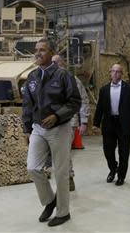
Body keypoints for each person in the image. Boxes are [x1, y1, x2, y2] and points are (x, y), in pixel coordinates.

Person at [22, 39, 81, 227]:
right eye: (36, 50)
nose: (38, 53)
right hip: (38, 129)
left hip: (59, 128)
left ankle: (63, 213)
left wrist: (57, 116)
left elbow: (74, 102)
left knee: (60, 172)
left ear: (51, 53)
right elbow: (27, 106)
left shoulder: (63, 75)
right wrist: (26, 129)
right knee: (33, 167)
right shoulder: (31, 77)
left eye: (43, 50)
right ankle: (50, 201)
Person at [93, 64, 130, 186]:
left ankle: (121, 176)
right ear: (110, 73)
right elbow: (100, 108)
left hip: (123, 123)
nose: (115, 74)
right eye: (113, 71)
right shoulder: (104, 90)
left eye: (118, 71)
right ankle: (113, 168)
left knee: (124, 152)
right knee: (108, 150)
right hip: (109, 124)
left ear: (122, 74)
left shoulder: (129, 88)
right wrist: (96, 123)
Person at [51, 54, 90, 192]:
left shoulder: (73, 80)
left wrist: (84, 121)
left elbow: (84, 100)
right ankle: (65, 177)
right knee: (57, 152)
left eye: (56, 62)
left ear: (63, 64)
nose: (54, 65)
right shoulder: (48, 81)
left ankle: (68, 178)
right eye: (52, 63)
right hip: (52, 123)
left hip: (69, 122)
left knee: (64, 151)